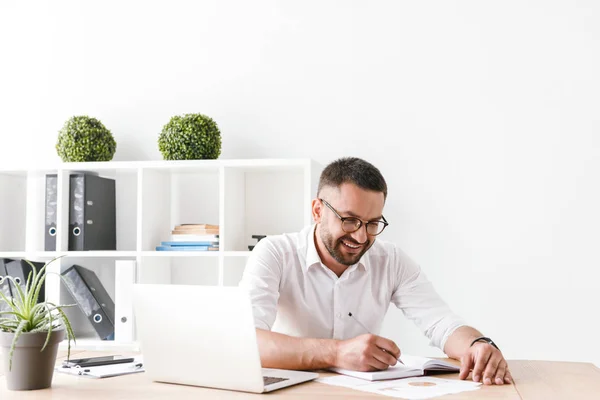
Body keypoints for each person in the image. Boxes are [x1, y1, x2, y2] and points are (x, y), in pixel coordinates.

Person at [239, 157, 511, 386]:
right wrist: (336, 353)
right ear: (318, 210)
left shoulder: (390, 260)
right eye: (349, 220)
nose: (360, 236)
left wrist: (478, 345)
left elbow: (441, 323)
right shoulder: (274, 253)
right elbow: (247, 341)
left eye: (372, 223)